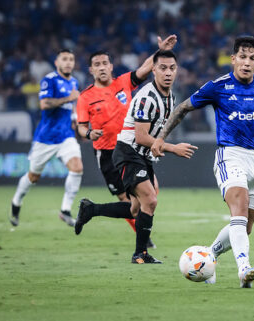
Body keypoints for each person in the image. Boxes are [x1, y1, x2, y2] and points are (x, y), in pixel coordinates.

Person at [151, 35, 254, 288]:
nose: (246, 63)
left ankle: (209, 255)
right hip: (230, 154)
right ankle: (244, 268)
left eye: (252, 58)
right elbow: (182, 108)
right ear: (233, 59)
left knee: (245, 227)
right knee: (238, 206)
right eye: (242, 57)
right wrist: (161, 137)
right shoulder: (218, 87)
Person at [79, 50, 197, 264]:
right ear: (154, 70)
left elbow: (159, 128)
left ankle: (91, 209)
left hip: (142, 156)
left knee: (136, 209)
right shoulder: (147, 97)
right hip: (128, 152)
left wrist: (160, 145)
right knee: (150, 200)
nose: (168, 73)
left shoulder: (170, 97)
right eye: (163, 68)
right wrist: (172, 148)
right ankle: (140, 254)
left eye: (172, 68)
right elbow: (141, 137)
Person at [9, 49, 82, 227]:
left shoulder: (74, 82)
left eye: (71, 59)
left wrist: (75, 120)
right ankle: (16, 201)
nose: (68, 62)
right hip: (46, 138)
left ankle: (65, 211)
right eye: (64, 59)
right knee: (33, 176)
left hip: (66, 136)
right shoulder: (49, 80)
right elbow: (44, 104)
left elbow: (72, 107)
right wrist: (67, 98)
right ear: (57, 62)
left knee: (77, 168)